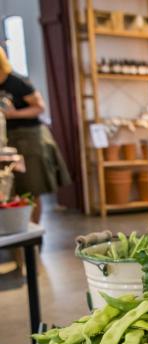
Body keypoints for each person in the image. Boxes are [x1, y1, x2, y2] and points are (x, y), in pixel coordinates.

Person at [0, 47, 70, 223]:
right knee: (10, 188)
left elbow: (40, 107)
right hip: (7, 139)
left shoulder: (17, 82)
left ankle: (32, 235)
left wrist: (13, 115)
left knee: (31, 187)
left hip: (29, 138)